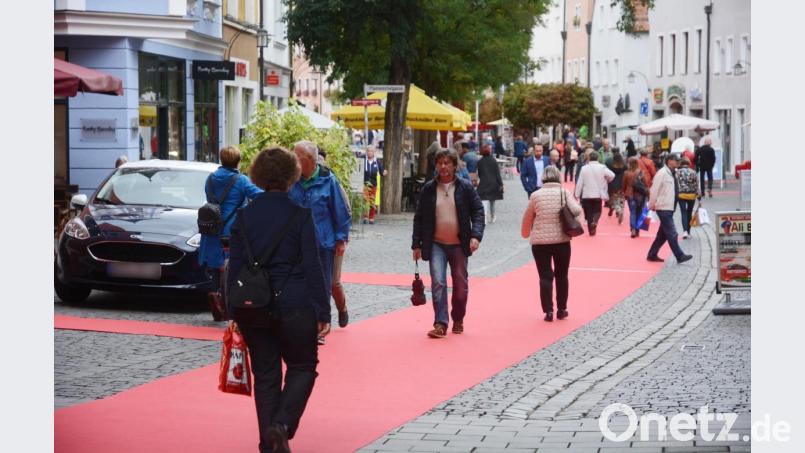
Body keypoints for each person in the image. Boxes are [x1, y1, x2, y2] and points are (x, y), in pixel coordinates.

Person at [227, 146, 329, 453]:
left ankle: (268, 444)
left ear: (257, 174)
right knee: (303, 366)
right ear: (291, 175)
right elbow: (313, 266)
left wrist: (233, 309)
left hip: (253, 306)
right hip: (295, 304)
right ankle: (281, 426)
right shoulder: (300, 216)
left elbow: (236, 265)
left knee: (267, 375)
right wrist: (323, 310)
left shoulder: (244, 216)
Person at [412, 149, 485, 338]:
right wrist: (416, 245)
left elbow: (478, 211)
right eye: (440, 163)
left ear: (454, 165)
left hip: (459, 244)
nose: (443, 167)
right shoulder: (429, 189)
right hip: (436, 244)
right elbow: (419, 218)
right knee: (438, 282)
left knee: (460, 284)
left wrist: (475, 236)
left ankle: (458, 318)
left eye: (447, 163)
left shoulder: (465, 187)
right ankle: (440, 323)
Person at [289, 140, 352, 344]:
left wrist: (341, 239)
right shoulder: (291, 180)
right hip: (296, 243)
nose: (292, 158)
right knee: (299, 284)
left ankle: (320, 325)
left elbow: (341, 210)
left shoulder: (328, 180)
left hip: (322, 242)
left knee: (323, 285)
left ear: (308, 159)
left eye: (296, 155)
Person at [198, 146, 263, 321]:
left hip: (212, 228)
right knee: (236, 266)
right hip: (232, 230)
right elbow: (258, 195)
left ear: (221, 160)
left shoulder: (210, 178)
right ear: (238, 161)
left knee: (215, 266)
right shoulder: (241, 180)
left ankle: (213, 292)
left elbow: (210, 198)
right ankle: (229, 303)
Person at [521, 166, 582, 322]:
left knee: (545, 276)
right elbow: (576, 210)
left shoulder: (535, 195)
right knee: (562, 275)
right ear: (558, 177)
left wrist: (526, 233)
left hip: (540, 242)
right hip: (561, 240)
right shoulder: (564, 192)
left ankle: (548, 311)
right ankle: (562, 309)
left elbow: (527, 217)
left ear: (543, 178)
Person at [646, 154, 693, 264]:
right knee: (672, 233)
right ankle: (679, 256)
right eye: (676, 160)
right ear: (669, 161)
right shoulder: (662, 173)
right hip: (663, 207)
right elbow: (654, 190)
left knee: (662, 235)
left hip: (670, 207)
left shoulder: (673, 173)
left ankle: (652, 254)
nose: (678, 162)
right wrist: (651, 204)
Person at [574, 150, 615, 236]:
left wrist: (577, 194)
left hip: (586, 194)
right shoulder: (602, 167)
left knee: (588, 213)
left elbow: (580, 182)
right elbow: (612, 175)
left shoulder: (584, 168)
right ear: (598, 158)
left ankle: (591, 230)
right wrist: (607, 180)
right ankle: (595, 221)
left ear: (589, 158)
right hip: (598, 194)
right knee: (598, 210)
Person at [623, 156, 651, 238]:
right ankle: (637, 229)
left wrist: (624, 193)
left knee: (632, 212)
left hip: (630, 195)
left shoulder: (626, 173)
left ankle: (633, 229)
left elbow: (623, 185)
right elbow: (645, 184)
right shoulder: (640, 172)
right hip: (640, 195)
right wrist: (648, 194)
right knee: (639, 212)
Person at [476, 144, 504, 224]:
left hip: (484, 183)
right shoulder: (493, 160)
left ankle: (484, 218)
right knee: (492, 201)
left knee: (483, 201)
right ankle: (492, 216)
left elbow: (480, 174)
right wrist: (501, 184)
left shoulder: (479, 162)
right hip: (494, 183)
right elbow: (497, 173)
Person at [676, 157, 700, 239]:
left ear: (681, 164)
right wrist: (699, 196)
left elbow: (675, 184)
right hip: (691, 195)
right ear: (689, 163)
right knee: (689, 212)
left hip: (681, 195)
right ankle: (689, 232)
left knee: (683, 213)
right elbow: (697, 184)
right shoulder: (693, 172)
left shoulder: (677, 172)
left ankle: (685, 231)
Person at [362, 146, 387, 224]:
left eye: (371, 151)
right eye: (368, 151)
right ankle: (365, 217)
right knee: (366, 200)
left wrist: (384, 173)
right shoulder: (363, 159)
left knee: (372, 201)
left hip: (373, 184)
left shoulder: (377, 161)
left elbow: (381, 171)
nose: (370, 153)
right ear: (366, 152)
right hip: (365, 183)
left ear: (374, 152)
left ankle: (371, 217)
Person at [605, 151, 627, 224]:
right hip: (622, 183)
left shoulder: (610, 165)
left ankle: (612, 208)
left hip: (612, 183)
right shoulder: (624, 166)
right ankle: (619, 211)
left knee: (613, 198)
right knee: (621, 198)